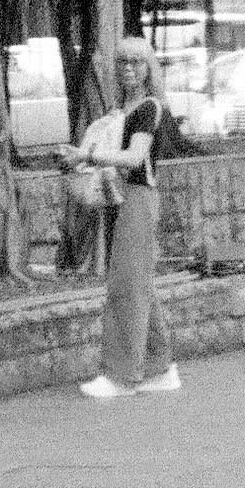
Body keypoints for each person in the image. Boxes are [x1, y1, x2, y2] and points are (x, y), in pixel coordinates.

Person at [79, 40, 188, 399]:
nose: (129, 69)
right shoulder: (122, 109)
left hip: (139, 197)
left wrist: (87, 156)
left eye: (137, 63)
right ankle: (160, 368)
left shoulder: (148, 109)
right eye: (123, 62)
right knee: (138, 282)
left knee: (126, 286)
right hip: (124, 197)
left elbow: (134, 157)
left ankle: (122, 376)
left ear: (149, 69)